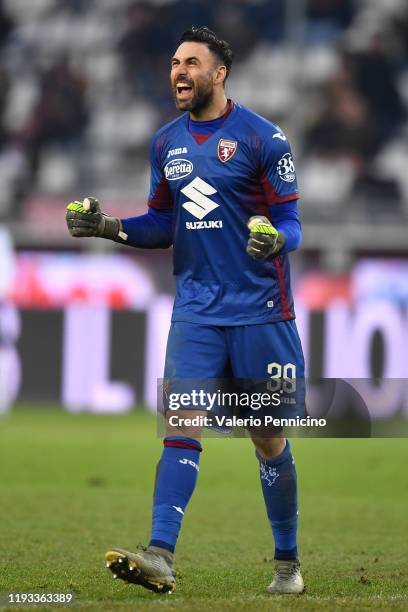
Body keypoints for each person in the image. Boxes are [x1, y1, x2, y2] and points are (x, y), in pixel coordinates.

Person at [66, 26, 304, 596]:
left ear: (219, 73)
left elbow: (292, 223)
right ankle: (161, 553)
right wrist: (110, 227)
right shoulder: (164, 143)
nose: (179, 71)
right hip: (195, 310)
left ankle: (288, 565)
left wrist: (277, 241)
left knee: (267, 437)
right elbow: (163, 224)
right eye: (175, 62)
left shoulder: (264, 139)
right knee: (181, 427)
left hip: (261, 311)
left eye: (191, 63)